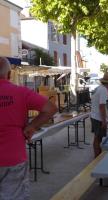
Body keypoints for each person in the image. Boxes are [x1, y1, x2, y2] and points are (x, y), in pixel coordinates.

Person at [0, 57, 58, 200]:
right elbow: (51, 109)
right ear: (8, 74)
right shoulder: (21, 92)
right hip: (13, 158)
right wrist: (32, 126)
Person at [90, 72, 108, 158]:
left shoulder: (99, 88)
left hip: (95, 116)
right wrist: (104, 121)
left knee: (97, 137)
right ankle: (96, 157)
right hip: (99, 118)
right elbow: (102, 106)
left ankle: (96, 155)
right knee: (98, 138)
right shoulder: (103, 90)